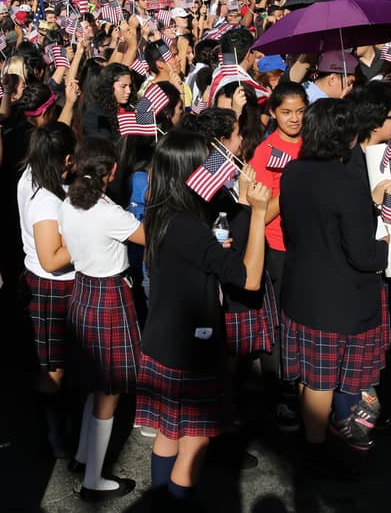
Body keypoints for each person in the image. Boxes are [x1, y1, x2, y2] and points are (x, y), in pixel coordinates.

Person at [135, 130, 271, 506]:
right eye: (203, 163)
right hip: (192, 351)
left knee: (168, 433)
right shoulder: (190, 228)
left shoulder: (160, 211)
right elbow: (250, 278)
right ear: (187, 173)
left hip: (161, 341)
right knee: (194, 443)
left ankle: (160, 503)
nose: (210, 169)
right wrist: (258, 212)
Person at [279, 99, 391, 468]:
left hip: (300, 290)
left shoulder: (293, 171)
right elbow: (362, 255)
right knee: (322, 382)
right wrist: (384, 245)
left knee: (309, 376)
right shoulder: (348, 183)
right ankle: (315, 453)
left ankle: (310, 442)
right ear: (347, 137)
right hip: (338, 300)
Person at [61, 138, 145, 500]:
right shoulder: (110, 213)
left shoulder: (68, 200)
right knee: (109, 391)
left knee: (95, 385)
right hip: (109, 294)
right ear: (111, 171)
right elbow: (149, 237)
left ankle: (83, 457)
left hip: (83, 289)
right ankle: (93, 480)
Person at [243, 80, 308, 432]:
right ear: (273, 113)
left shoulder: (312, 143)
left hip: (309, 246)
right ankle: (279, 394)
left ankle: (303, 385)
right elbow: (261, 212)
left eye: (300, 111)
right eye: (286, 112)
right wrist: (290, 186)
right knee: (276, 324)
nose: (294, 119)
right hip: (277, 248)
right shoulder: (266, 152)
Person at [16, 121, 78, 457]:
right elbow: (52, 259)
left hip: (48, 285)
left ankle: (56, 430)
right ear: (66, 159)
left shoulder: (32, 173)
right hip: (52, 286)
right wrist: (86, 236)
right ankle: (52, 438)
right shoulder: (46, 200)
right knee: (53, 367)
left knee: (56, 362)